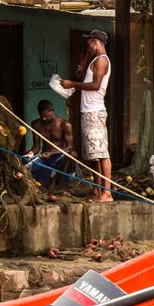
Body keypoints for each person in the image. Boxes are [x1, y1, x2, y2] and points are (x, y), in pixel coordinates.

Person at [61, 29, 113, 203]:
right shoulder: (95, 60)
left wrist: (73, 84)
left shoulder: (102, 61)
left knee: (102, 153)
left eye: (89, 42)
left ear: (96, 42)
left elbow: (96, 85)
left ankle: (107, 193)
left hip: (94, 111)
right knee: (93, 155)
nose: (87, 45)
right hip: (88, 111)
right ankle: (96, 190)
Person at [25, 100, 77, 190]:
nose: (44, 119)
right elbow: (37, 146)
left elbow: (70, 146)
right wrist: (31, 152)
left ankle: (55, 182)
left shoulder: (64, 124)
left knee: (72, 155)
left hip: (59, 157)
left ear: (52, 111)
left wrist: (51, 153)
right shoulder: (36, 124)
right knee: (24, 168)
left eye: (46, 116)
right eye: (42, 116)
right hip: (44, 159)